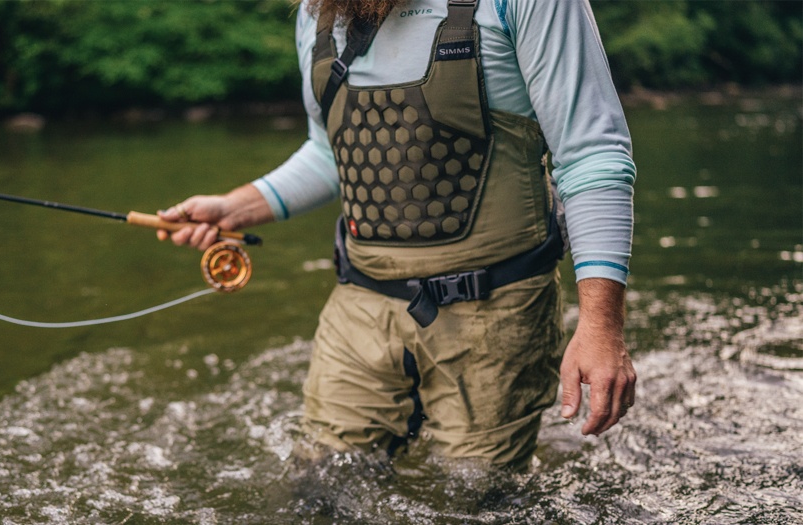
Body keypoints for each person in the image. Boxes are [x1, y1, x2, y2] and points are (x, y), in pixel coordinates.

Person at [157, 0, 636, 470]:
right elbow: (330, 154)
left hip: (497, 313)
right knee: (315, 484)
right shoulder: (316, 12)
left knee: (473, 499)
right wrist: (235, 208)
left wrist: (600, 327)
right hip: (360, 306)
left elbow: (592, 154)